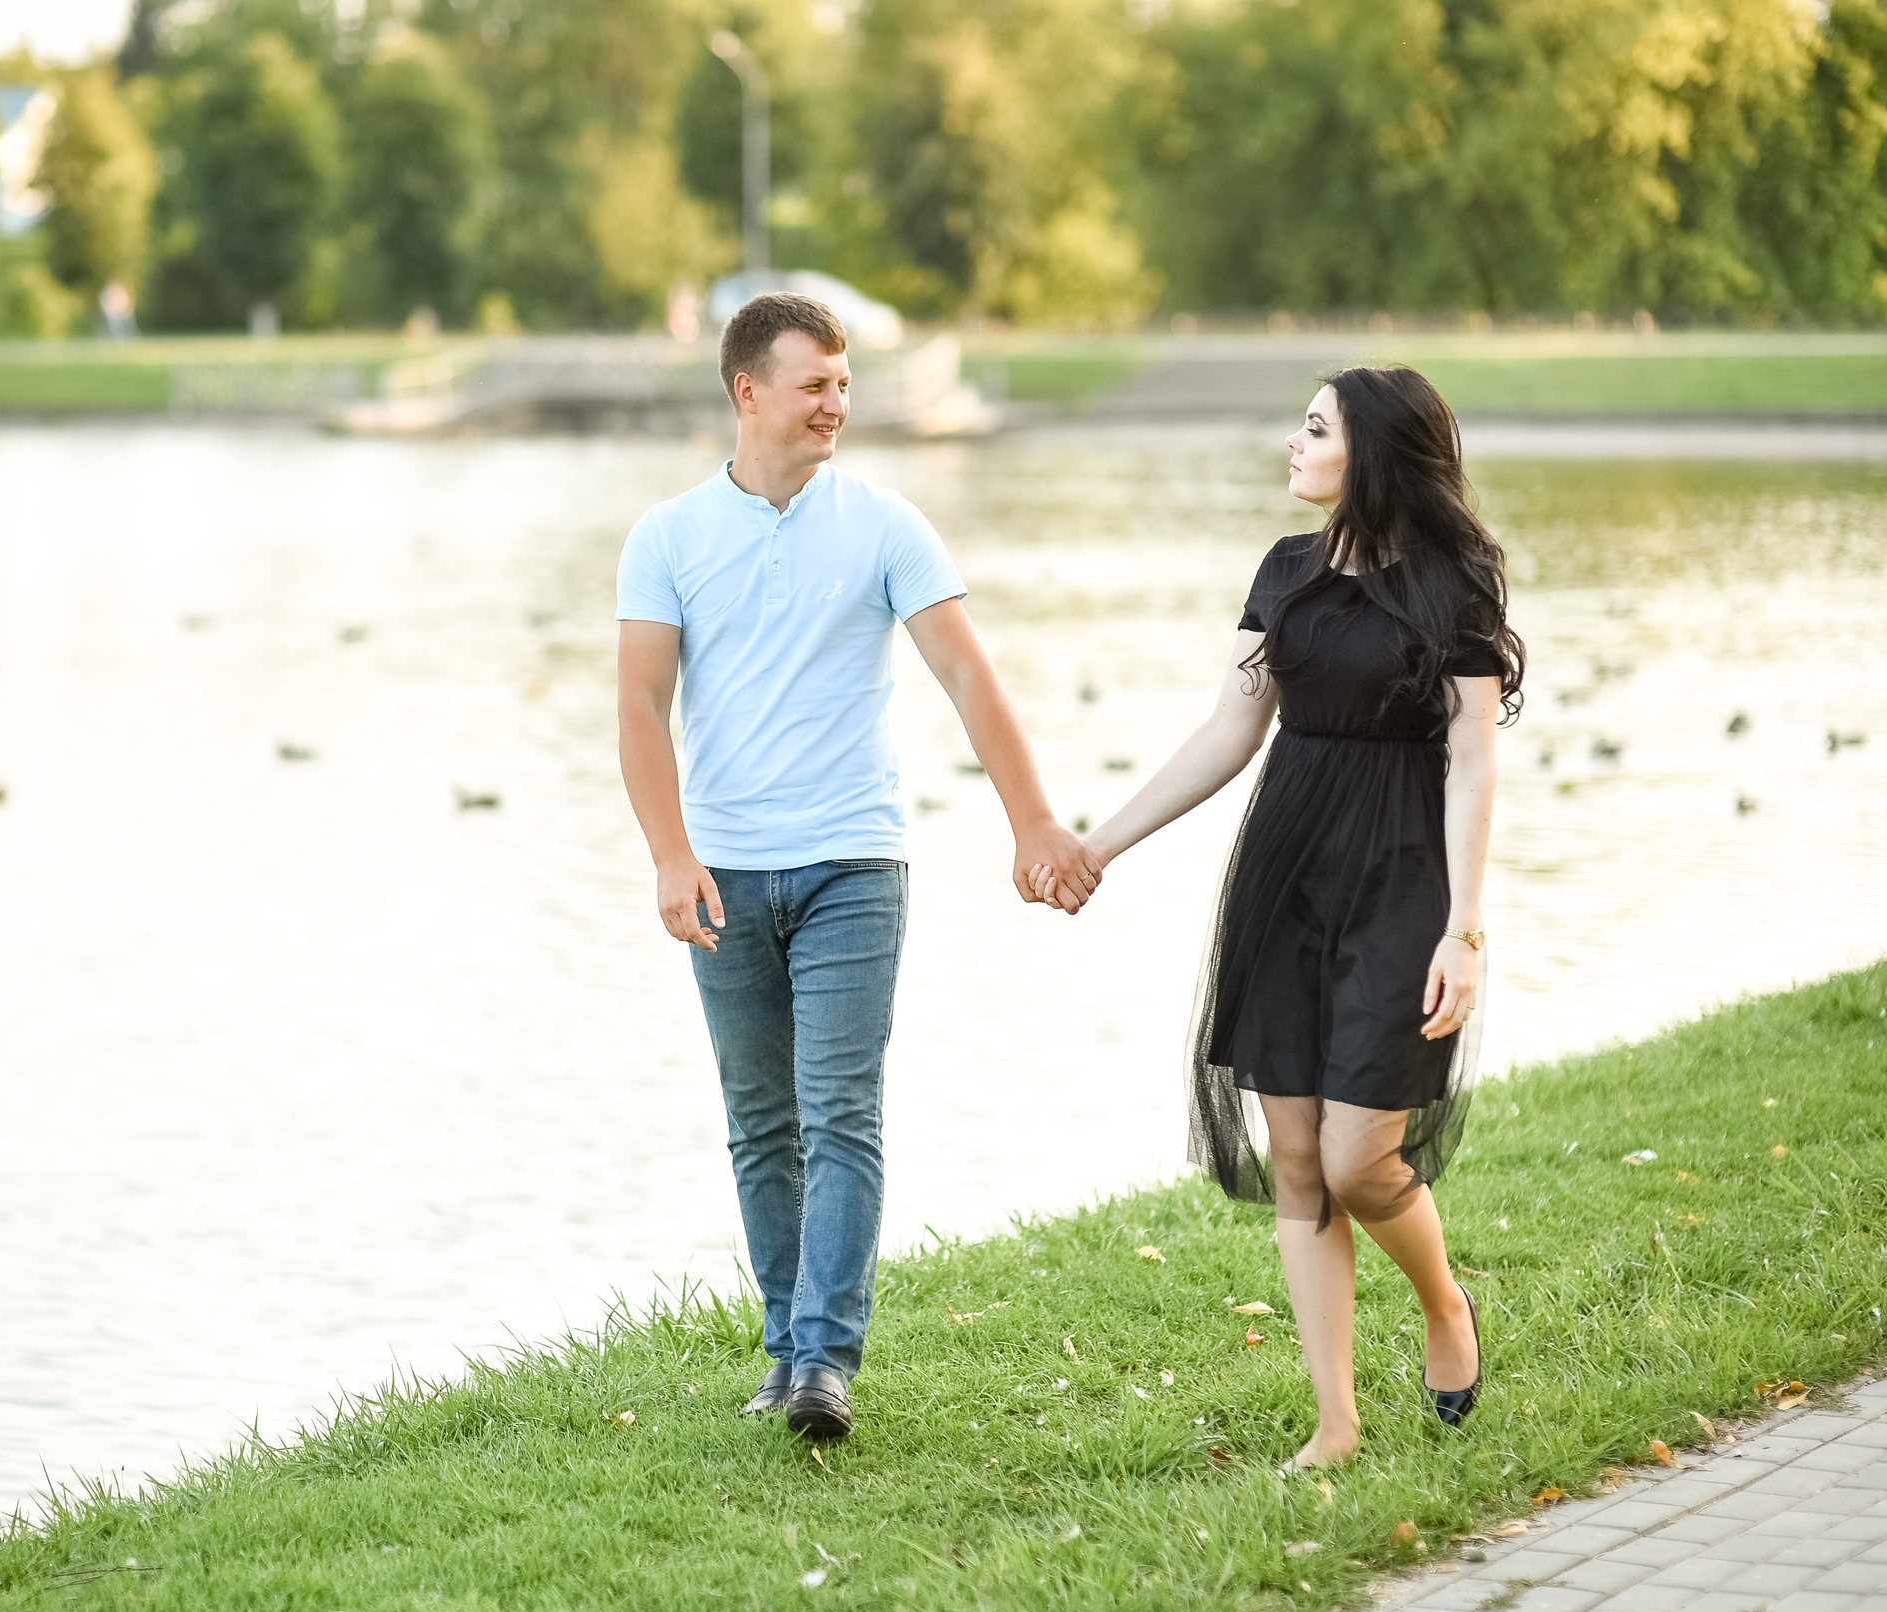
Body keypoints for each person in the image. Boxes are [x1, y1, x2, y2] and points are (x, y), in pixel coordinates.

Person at [615, 292, 1098, 1440]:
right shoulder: (668, 536)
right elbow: (638, 704)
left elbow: (971, 679)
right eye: (815, 384)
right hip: (725, 871)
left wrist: (1033, 824)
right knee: (757, 1118)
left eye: (844, 384)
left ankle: (823, 1359)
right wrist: (669, 854)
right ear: (747, 392)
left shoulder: (886, 524)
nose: (838, 403)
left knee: (840, 1111)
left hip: (852, 862)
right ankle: (784, 1348)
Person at [1064, 366, 1523, 1468]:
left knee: (1366, 1157)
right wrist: (1099, 841)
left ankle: (1444, 1303)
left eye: (1314, 428)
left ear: (1368, 451)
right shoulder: (1283, 570)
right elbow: (1230, 731)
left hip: (1404, 873)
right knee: (1299, 1157)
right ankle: (1335, 1418)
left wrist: (1464, 925)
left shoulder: (1453, 582)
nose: (1292, 440)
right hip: (1285, 868)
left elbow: (1469, 758)